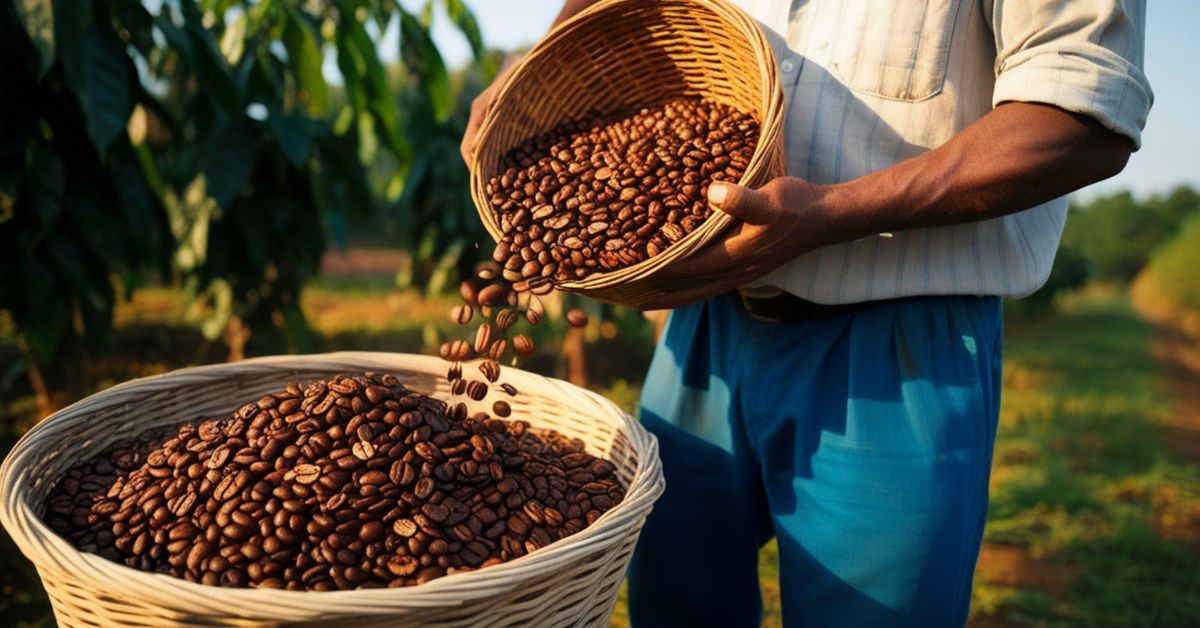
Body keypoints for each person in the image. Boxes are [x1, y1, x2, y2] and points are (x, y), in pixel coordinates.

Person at [461, 0, 1152, 625]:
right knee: (672, 598)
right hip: (703, 324)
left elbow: (1084, 116)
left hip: (894, 349)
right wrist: (552, 50)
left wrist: (828, 215)